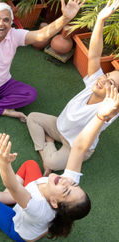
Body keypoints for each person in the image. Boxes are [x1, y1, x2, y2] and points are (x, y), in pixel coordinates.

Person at [0, 84, 119, 241]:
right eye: (74, 185)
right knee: (31, 165)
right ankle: (12, 199)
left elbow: (12, 185)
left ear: (54, 202)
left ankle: (12, 200)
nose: (68, 182)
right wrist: (101, 116)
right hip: (30, 199)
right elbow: (79, 148)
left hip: (17, 227)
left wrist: (3, 162)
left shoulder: (38, 208)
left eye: (66, 191)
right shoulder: (66, 183)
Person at [27, 0, 119, 176]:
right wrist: (100, 20)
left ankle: (48, 153)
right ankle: (45, 148)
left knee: (52, 161)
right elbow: (93, 56)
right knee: (32, 117)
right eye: (106, 76)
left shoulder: (109, 108)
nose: (103, 80)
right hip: (59, 126)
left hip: (74, 146)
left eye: (111, 83)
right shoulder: (94, 83)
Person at [0, 0, 85, 122]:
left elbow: (42, 35)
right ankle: (5, 111)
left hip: (3, 85)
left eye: (6, 20)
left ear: (11, 23)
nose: (1, 24)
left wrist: (65, 18)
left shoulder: (15, 35)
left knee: (30, 94)